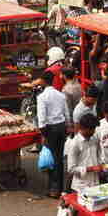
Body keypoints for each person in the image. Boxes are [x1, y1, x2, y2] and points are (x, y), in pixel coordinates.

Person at [64, 113, 105, 216]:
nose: (93, 131)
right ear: (82, 128)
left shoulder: (94, 138)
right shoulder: (74, 144)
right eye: (91, 129)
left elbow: (99, 154)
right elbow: (70, 169)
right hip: (80, 186)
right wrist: (90, 169)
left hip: (94, 182)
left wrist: (101, 165)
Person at [37, 68, 70, 198]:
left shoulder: (42, 97)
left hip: (50, 129)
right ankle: (60, 188)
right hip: (61, 127)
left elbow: (42, 118)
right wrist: (67, 127)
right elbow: (66, 113)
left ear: (43, 81)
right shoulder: (61, 95)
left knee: (51, 159)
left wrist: (43, 134)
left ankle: (53, 189)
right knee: (59, 159)